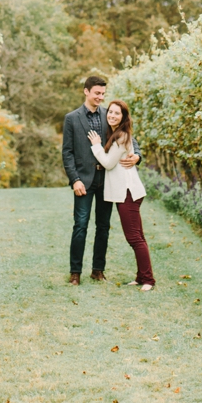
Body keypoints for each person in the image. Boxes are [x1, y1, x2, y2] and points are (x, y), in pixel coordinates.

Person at [62, 76, 140, 285]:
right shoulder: (72, 118)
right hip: (84, 181)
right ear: (86, 91)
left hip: (107, 179)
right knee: (80, 225)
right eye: (97, 93)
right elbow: (67, 153)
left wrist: (137, 155)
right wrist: (75, 179)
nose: (100, 97)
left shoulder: (110, 114)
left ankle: (98, 270)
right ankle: (75, 272)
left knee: (103, 226)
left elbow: (130, 137)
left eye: (103, 94)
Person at [88, 99, 155, 290]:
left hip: (128, 192)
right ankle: (142, 276)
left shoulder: (122, 136)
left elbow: (109, 163)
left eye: (117, 113)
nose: (112, 116)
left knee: (134, 237)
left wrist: (96, 145)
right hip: (125, 191)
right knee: (137, 236)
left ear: (124, 117)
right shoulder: (117, 134)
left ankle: (149, 279)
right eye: (110, 112)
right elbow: (112, 163)